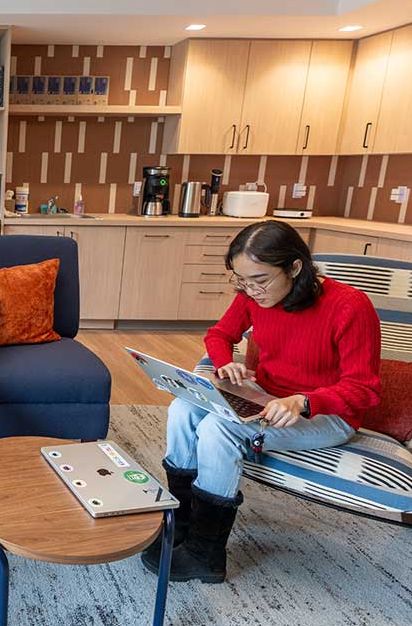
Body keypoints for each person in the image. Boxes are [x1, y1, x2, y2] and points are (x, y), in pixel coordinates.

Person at [141, 220, 380, 584]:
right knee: (182, 408)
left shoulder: (350, 306)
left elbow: (364, 388)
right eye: (241, 281)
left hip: (328, 415)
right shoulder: (253, 297)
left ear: (295, 267)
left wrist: (302, 401)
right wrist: (225, 362)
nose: (250, 291)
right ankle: (181, 525)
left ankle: (206, 554)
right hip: (264, 398)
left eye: (260, 280)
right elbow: (219, 334)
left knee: (218, 428)